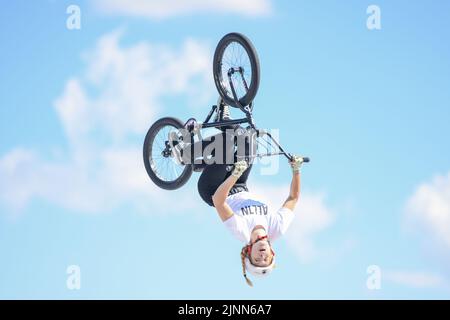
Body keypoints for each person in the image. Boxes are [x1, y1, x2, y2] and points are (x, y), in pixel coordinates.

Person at [172, 100, 304, 286]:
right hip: (240, 183)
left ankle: (185, 154)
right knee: (249, 139)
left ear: (248, 251)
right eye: (266, 259)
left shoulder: (240, 231)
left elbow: (219, 201)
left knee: (226, 148)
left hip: (214, 190)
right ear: (272, 252)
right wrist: (296, 170)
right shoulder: (277, 227)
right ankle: (221, 122)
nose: (262, 256)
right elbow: (293, 198)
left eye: (257, 260)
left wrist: (234, 173)